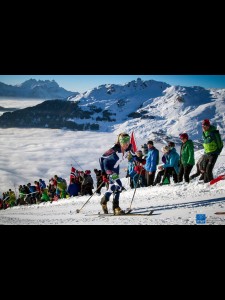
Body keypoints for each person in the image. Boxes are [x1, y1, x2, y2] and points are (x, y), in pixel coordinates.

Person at [99, 132, 134, 215]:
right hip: (109, 168)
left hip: (116, 168)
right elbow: (101, 158)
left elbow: (134, 155)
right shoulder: (114, 148)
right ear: (120, 142)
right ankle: (116, 208)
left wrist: (141, 161)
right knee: (119, 185)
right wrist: (103, 172)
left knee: (111, 188)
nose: (126, 144)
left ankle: (103, 201)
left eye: (128, 142)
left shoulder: (129, 147)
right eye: (124, 143)